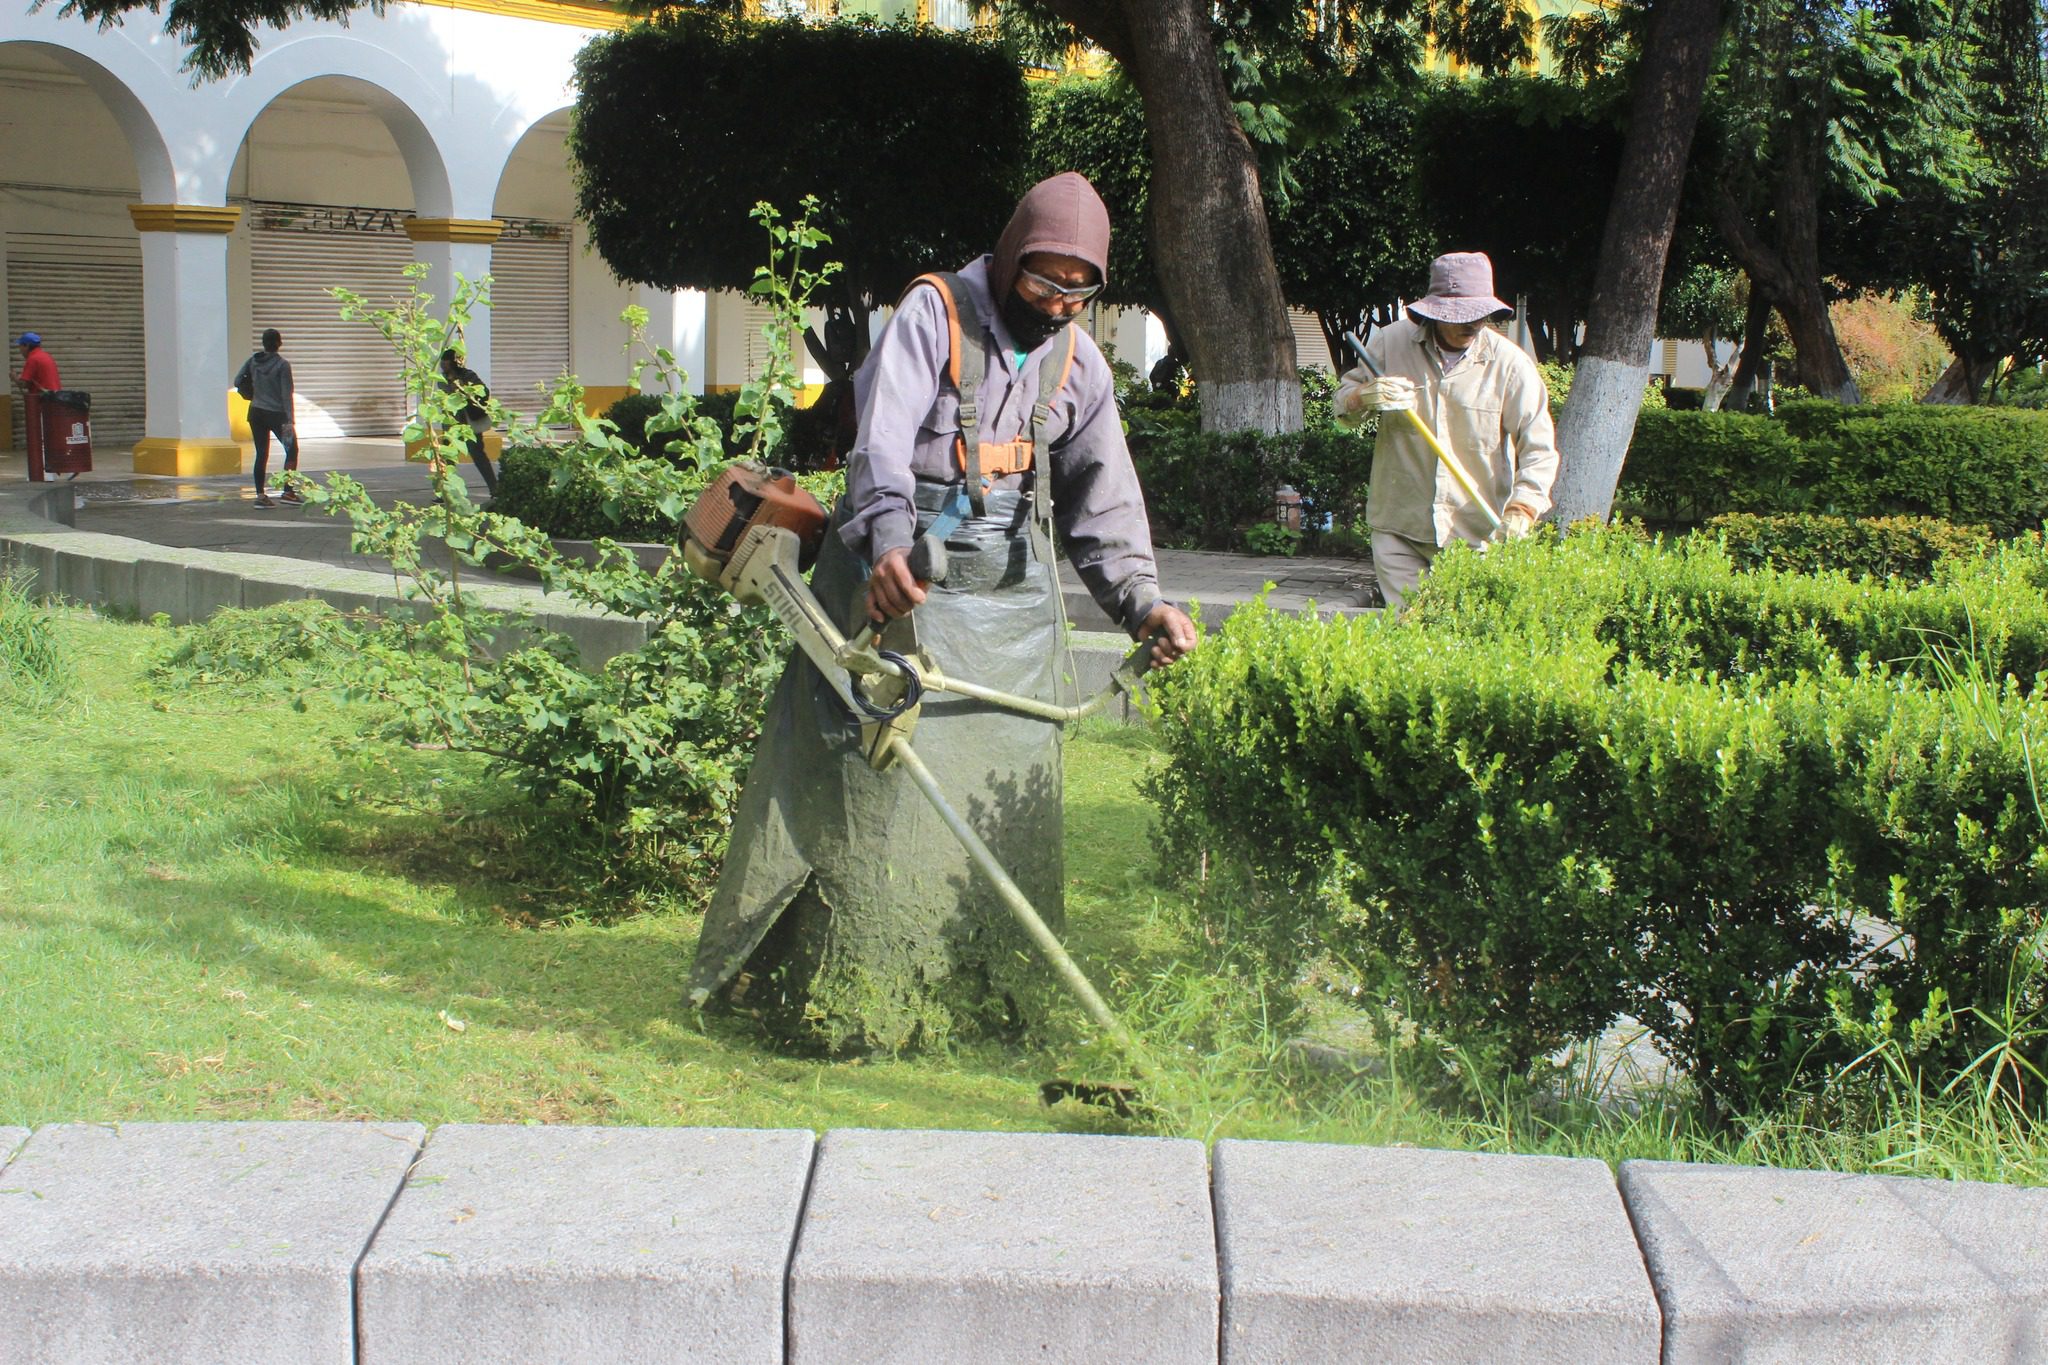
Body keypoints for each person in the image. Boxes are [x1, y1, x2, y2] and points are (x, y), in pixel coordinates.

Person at [688, 171, 1196, 1051]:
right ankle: (840, 1003)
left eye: (1080, 291)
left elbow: (1103, 508)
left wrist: (1142, 603)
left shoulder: (1082, 366)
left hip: (1010, 617)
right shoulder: (934, 314)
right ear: (1008, 259)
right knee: (864, 800)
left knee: (1003, 807)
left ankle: (984, 998)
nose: (1058, 304)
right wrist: (886, 545)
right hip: (901, 596)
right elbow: (877, 446)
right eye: (1044, 282)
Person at [1334, 251, 1560, 612]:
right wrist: (1365, 396)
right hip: (1400, 529)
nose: (1470, 324)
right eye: (1458, 316)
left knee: (1464, 640)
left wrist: (1523, 508)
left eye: (1478, 314)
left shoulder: (1511, 365)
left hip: (1478, 536)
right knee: (1409, 635)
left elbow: (1539, 448)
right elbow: (1342, 408)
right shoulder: (1390, 343)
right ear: (1433, 312)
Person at [234, 329, 299, 508]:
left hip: (256, 412)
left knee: (261, 453)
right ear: (279, 343)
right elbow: (287, 393)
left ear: (263, 343)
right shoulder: (282, 365)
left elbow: (238, 380)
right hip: (278, 415)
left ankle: (261, 496)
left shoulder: (253, 361)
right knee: (291, 450)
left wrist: (252, 393)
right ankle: (288, 492)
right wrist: (290, 419)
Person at [437, 348, 496, 497]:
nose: (443, 366)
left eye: (446, 363)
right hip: (451, 426)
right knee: (448, 459)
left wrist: (463, 388)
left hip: (470, 425)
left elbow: (484, 392)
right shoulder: (442, 380)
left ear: (453, 363)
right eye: (442, 363)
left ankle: (495, 490)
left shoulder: (468, 375)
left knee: (479, 457)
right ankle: (446, 494)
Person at [15, 332, 59, 482]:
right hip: (54, 402)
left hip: (41, 403)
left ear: (26, 346)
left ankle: (42, 473)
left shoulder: (33, 359)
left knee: (39, 438)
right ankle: (48, 472)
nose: (19, 350)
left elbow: (24, 383)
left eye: (20, 346)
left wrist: (14, 378)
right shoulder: (46, 356)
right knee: (47, 437)